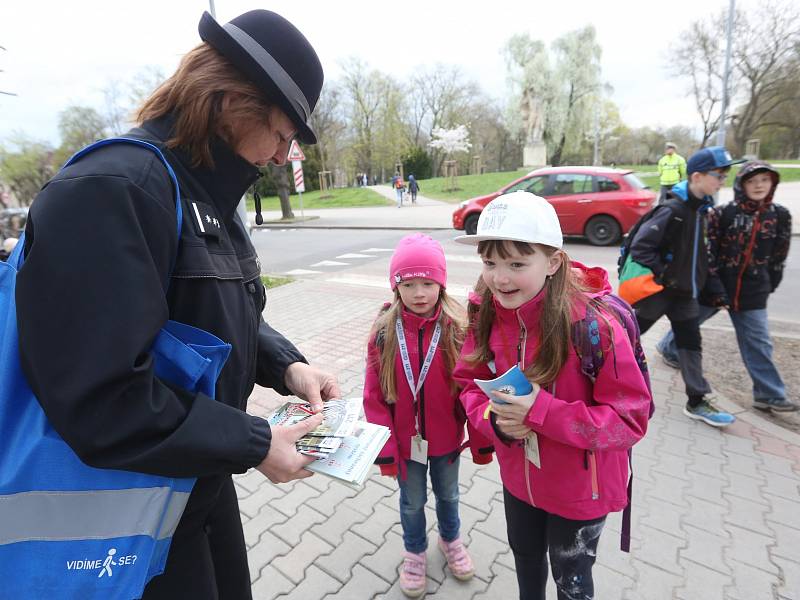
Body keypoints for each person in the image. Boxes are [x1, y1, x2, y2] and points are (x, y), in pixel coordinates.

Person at [15, 10, 340, 599]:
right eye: (284, 135)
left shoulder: (207, 196)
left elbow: (208, 312)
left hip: (195, 491)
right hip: (117, 529)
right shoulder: (114, 190)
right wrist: (256, 442)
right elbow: (104, 398)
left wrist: (285, 365)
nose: (278, 156)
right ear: (236, 101)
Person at [453, 193, 651, 600]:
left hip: (580, 491)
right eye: (490, 263)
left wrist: (542, 411)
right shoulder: (486, 311)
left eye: (517, 264)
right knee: (525, 558)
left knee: (572, 580)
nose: (500, 278)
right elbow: (469, 382)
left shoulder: (593, 327)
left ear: (554, 262)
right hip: (518, 479)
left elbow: (629, 421)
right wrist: (493, 421)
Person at [363, 233, 493, 598]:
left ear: (441, 283)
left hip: (447, 442)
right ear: (395, 286)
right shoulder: (384, 333)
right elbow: (373, 398)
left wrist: (482, 443)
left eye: (428, 283)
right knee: (411, 501)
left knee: (449, 495)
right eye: (409, 284)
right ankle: (414, 551)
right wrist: (385, 449)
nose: (419, 292)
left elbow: (475, 390)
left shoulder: (457, 329)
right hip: (406, 447)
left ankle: (450, 541)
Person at [656, 161, 796, 412]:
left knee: (759, 342)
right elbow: (708, 254)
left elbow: (779, 256)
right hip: (715, 287)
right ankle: (669, 348)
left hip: (753, 293)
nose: (758, 186)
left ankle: (769, 393)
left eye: (764, 180)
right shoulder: (723, 214)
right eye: (752, 181)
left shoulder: (780, 216)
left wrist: (768, 285)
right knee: (687, 323)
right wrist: (713, 286)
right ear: (741, 185)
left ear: (772, 183)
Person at [629, 146, 744, 427]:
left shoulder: (700, 211)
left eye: (725, 175)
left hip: (685, 297)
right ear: (697, 176)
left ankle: (696, 400)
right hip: (658, 293)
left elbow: (702, 257)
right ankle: (603, 384)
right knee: (625, 338)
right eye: (718, 175)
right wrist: (664, 275)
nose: (722, 180)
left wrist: (714, 290)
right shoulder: (673, 210)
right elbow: (640, 247)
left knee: (691, 345)